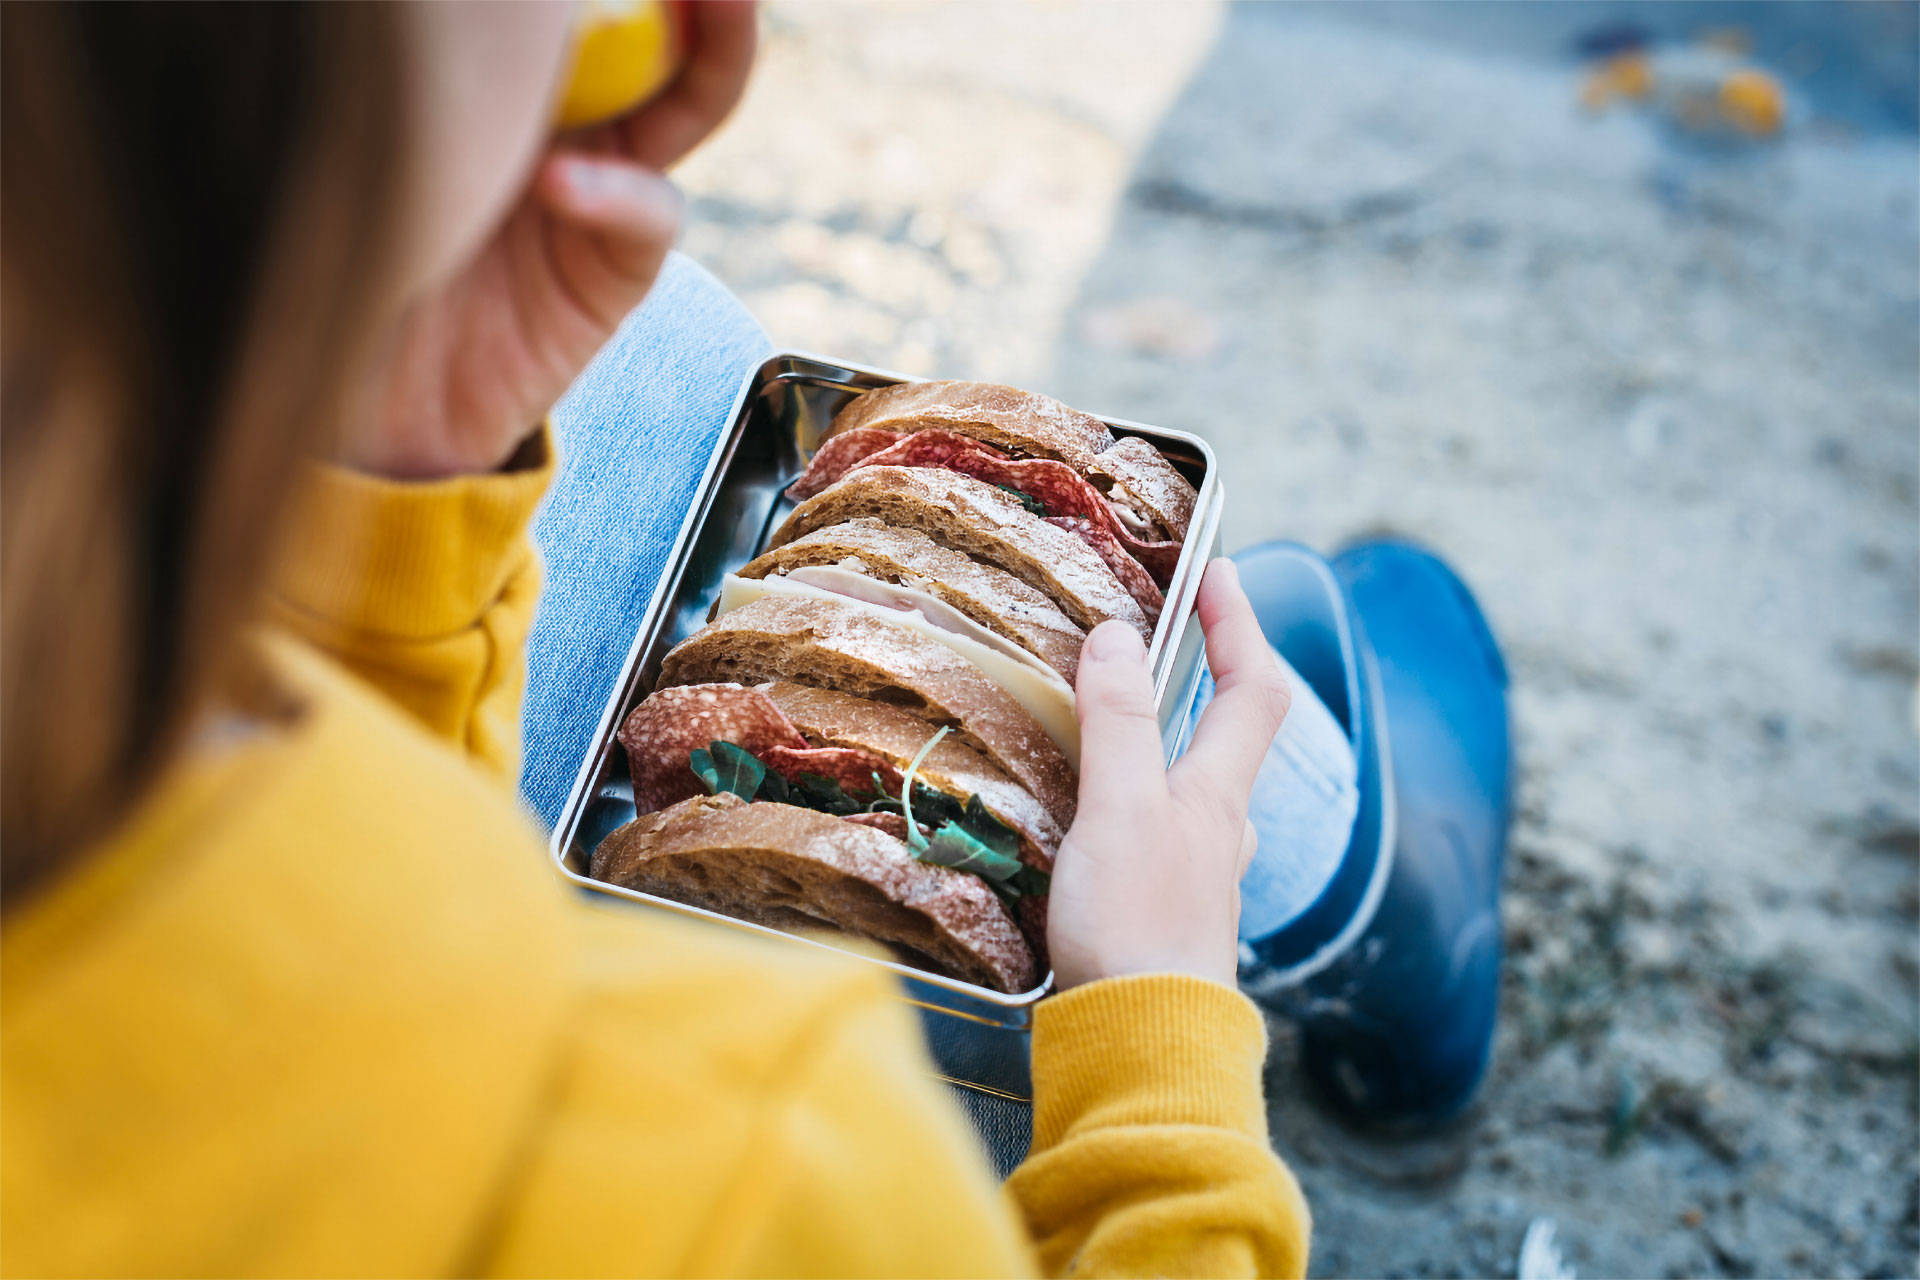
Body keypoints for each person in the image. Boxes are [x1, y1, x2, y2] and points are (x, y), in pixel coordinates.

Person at [0, 4, 1313, 1275]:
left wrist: (401, 518)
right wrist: (1163, 1048)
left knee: (669, 340)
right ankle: (1354, 893)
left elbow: (300, 890)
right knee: (1259, 743)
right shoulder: (747, 1151)